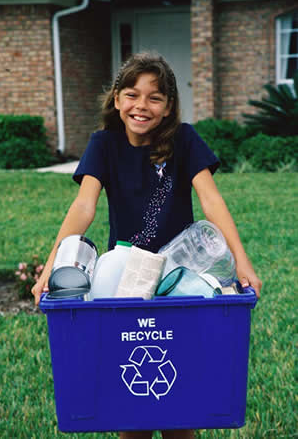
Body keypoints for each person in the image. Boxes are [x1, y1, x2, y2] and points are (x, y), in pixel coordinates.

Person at [32, 51, 262, 439]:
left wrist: (241, 261)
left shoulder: (185, 141)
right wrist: (50, 267)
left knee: (179, 409)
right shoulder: (103, 144)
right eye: (132, 94)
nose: (142, 106)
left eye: (155, 97)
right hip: (124, 283)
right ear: (117, 98)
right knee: (130, 413)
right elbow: (84, 206)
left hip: (180, 279)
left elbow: (211, 200)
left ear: (169, 105)